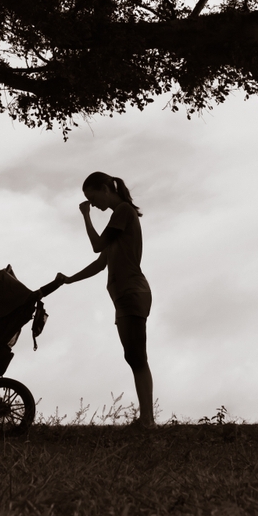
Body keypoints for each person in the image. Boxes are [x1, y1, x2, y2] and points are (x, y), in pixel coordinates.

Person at [56, 172, 155, 428]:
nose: (94, 204)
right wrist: (69, 279)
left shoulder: (122, 211)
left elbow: (97, 245)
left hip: (133, 292)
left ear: (104, 189)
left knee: (137, 357)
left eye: (93, 198)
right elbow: (101, 263)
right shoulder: (118, 222)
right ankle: (146, 419)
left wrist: (85, 216)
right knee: (133, 357)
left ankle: (148, 420)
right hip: (123, 295)